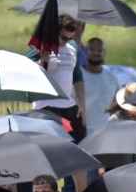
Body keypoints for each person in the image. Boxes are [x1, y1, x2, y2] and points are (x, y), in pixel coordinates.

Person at [28, 14, 87, 143]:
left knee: (79, 140)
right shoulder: (40, 45)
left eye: (70, 38)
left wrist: (82, 105)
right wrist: (42, 62)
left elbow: (77, 76)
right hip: (46, 106)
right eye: (63, 37)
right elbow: (27, 70)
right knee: (49, 144)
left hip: (68, 106)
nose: (66, 41)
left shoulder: (72, 47)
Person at [81, 38, 121, 130]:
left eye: (99, 50)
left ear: (104, 53)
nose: (96, 53)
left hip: (105, 130)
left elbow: (119, 99)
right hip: (82, 130)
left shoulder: (111, 76)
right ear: (86, 52)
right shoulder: (77, 75)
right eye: (92, 50)